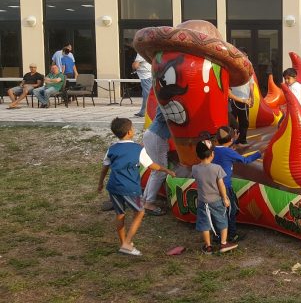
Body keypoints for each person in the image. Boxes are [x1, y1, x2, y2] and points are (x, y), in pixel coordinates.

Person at [97, 117, 175, 256]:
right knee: (140, 212)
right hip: (131, 189)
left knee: (120, 215)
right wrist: (167, 170)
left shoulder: (111, 149)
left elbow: (105, 168)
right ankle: (127, 243)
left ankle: (123, 243)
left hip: (114, 187)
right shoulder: (138, 149)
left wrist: (100, 183)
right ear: (129, 132)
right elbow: (152, 166)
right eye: (132, 128)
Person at [213, 126, 261, 243]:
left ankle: (217, 235)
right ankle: (232, 235)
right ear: (230, 141)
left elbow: (224, 147)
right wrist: (259, 152)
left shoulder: (213, 149)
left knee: (217, 211)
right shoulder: (228, 152)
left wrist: (233, 140)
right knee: (231, 210)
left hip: (213, 187)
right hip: (225, 186)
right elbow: (245, 160)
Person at [193, 139, 238, 254]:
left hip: (203, 201)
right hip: (217, 200)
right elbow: (221, 185)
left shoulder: (195, 169)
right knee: (222, 221)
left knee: (204, 224)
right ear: (212, 154)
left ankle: (208, 246)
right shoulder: (217, 168)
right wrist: (225, 198)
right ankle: (223, 243)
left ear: (198, 155)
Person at [142, 107, 171, 215]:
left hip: (154, 136)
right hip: (157, 137)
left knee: (156, 172)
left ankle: (145, 200)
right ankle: (149, 203)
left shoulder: (166, 99)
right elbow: (163, 117)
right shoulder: (167, 100)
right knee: (160, 172)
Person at [228, 76, 253, 146]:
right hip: (234, 101)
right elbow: (229, 93)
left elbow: (251, 85)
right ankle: (231, 142)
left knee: (244, 122)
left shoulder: (249, 68)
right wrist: (243, 100)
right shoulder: (232, 71)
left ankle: (242, 140)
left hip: (245, 100)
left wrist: (252, 98)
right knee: (233, 124)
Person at [132, 53, 152, 117]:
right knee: (147, 94)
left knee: (147, 95)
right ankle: (143, 111)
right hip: (150, 75)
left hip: (145, 76)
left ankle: (145, 112)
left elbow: (135, 65)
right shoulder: (148, 50)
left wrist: (133, 65)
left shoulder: (141, 52)